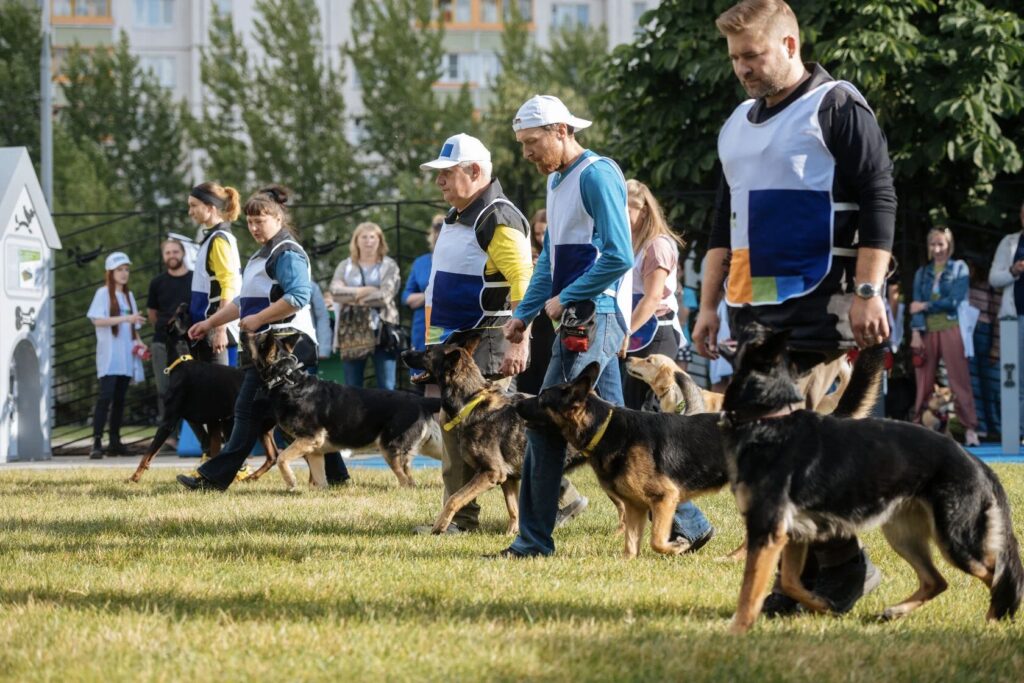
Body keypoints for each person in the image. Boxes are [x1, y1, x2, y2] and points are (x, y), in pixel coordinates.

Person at [692, 0, 897, 614]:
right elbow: (723, 223)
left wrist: (868, 291)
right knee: (772, 450)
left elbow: (879, 195)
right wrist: (707, 307)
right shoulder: (736, 124)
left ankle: (834, 574)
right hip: (753, 310)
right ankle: (824, 574)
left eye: (753, 55)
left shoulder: (836, 105)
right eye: (735, 58)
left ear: (789, 46)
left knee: (793, 450)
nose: (743, 68)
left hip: (820, 307)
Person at [491, 95, 634, 559]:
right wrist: (525, 314)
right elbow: (550, 260)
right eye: (522, 144)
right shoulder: (557, 181)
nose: (526, 153)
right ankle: (690, 523)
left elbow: (620, 256)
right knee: (619, 428)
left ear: (561, 130)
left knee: (544, 423)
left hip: (595, 316)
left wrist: (566, 297)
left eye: (532, 141)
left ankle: (532, 542)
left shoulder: (597, 174)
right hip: (578, 316)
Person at [177, 186, 349, 491]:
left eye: (260, 221)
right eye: (250, 222)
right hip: (269, 351)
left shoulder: (287, 253)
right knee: (294, 415)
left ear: (278, 219)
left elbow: (298, 296)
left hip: (288, 348)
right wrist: (210, 323)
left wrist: (259, 319)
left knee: (250, 412)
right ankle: (337, 478)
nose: (254, 228)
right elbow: (243, 301)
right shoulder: (263, 254)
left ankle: (213, 479)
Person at [909, 227, 980, 445]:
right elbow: (913, 307)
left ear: (949, 245)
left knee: (959, 380)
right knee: (924, 381)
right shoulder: (922, 273)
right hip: (926, 330)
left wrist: (925, 305)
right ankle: (919, 426)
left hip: (952, 327)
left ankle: (970, 428)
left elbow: (954, 301)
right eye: (933, 244)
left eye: (941, 244)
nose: (937, 249)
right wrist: (915, 332)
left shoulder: (959, 268)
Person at [87, 252, 147, 458]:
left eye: (126, 269)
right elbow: (97, 320)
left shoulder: (129, 296)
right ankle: (96, 442)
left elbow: (134, 326)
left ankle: (115, 442)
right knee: (105, 398)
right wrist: (125, 319)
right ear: (110, 272)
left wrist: (140, 343)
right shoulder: (103, 293)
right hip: (110, 356)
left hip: (126, 356)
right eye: (119, 269)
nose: (124, 273)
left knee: (120, 399)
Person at [329, 222, 401, 390]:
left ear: (380, 240)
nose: (368, 241)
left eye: (372, 237)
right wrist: (367, 290)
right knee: (352, 387)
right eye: (364, 237)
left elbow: (385, 296)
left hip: (382, 329)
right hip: (351, 331)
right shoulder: (345, 265)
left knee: (387, 386)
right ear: (356, 241)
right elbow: (334, 292)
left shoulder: (389, 265)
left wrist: (350, 297)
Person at [187, 182, 243, 365]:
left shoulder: (218, 240)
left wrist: (220, 330)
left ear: (210, 207)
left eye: (194, 206)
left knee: (222, 382)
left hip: (217, 331)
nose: (190, 212)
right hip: (209, 327)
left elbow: (228, 284)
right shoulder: (214, 237)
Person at [147, 238, 192, 431]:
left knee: (191, 389)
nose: (171, 255)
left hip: (189, 343)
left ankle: (193, 437)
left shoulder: (194, 280)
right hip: (161, 343)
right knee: (164, 389)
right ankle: (169, 436)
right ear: (163, 256)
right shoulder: (157, 282)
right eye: (167, 252)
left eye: (175, 251)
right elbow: (152, 314)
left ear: (183, 253)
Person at [988, 199, 1024, 443]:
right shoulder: (1009, 243)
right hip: (1014, 319)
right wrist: (1013, 271)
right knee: (1014, 379)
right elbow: (994, 279)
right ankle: (1016, 433)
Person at [518, 208, 556, 396]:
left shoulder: (556, 254)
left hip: (552, 316)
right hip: (534, 317)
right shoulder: (529, 253)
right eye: (538, 234)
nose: (541, 239)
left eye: (544, 233)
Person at [402, 215, 444, 384]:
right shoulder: (420, 262)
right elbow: (406, 296)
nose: (439, 234)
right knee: (422, 378)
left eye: (444, 230)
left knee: (443, 376)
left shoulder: (458, 261)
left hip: (446, 325)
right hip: (422, 327)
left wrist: (422, 297)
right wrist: (429, 294)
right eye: (436, 230)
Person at [969, 258, 1001, 440]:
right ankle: (980, 427)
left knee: (991, 384)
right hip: (967, 333)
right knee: (973, 384)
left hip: (985, 333)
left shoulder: (990, 287)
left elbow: (996, 316)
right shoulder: (963, 285)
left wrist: (996, 346)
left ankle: (997, 427)